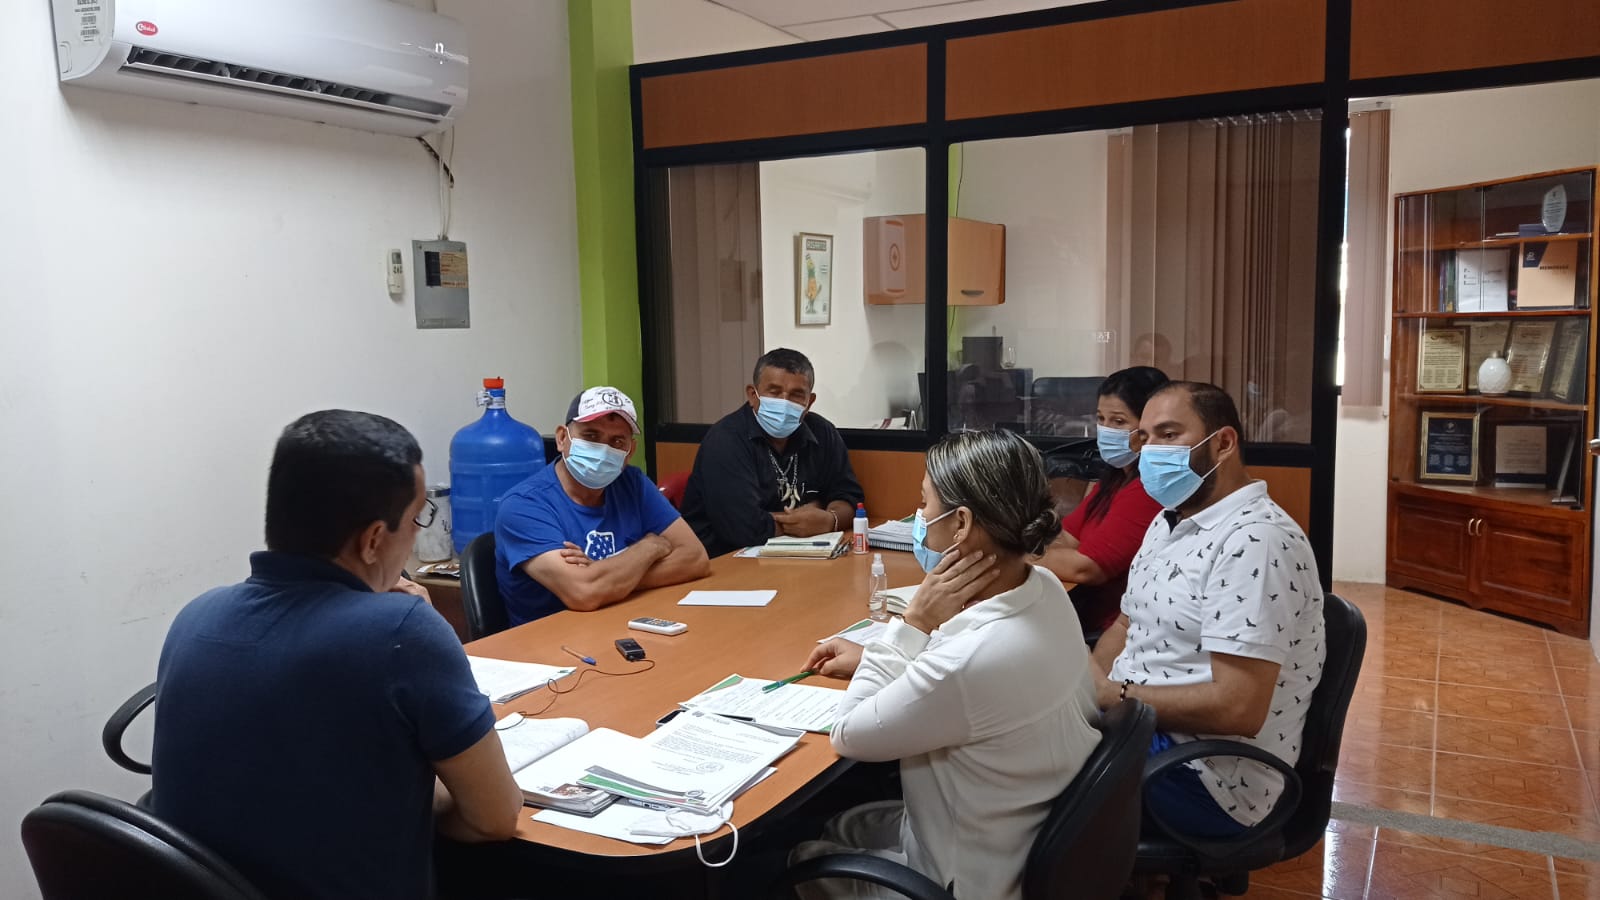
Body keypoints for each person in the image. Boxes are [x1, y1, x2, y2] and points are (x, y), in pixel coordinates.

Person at [153, 410, 522, 900]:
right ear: (373, 540)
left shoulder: (195, 616)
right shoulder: (403, 632)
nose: (418, 534)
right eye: (418, 520)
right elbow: (495, 818)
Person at [794, 430, 1102, 900]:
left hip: (969, 880)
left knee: (802, 857)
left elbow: (849, 733)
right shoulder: (1045, 586)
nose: (918, 517)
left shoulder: (970, 662)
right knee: (847, 823)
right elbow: (958, 665)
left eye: (923, 504)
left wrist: (912, 623)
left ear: (960, 523)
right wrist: (877, 657)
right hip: (1021, 829)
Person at [1091, 382, 1325, 838]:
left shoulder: (1256, 541)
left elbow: (1238, 708)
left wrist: (1111, 696)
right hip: (1139, 728)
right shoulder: (1171, 519)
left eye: (1169, 434)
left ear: (1223, 443)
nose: (1151, 451)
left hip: (1206, 777)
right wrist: (1088, 694)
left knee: (1017, 772)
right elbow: (1125, 622)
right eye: (1145, 438)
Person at [495, 386, 708, 625]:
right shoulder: (524, 505)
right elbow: (584, 592)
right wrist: (649, 547)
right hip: (552, 639)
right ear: (562, 438)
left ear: (630, 451)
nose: (604, 450)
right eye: (591, 436)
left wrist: (608, 578)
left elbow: (695, 558)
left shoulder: (632, 484)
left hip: (619, 621)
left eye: (617, 441)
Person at [681, 348, 865, 557]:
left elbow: (849, 498)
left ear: (810, 402)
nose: (784, 402)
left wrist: (829, 519)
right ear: (753, 395)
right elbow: (745, 527)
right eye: (774, 392)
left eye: (796, 395)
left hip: (797, 557)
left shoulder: (822, 432)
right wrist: (806, 520)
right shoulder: (725, 441)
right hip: (725, 560)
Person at [1038, 366, 1168, 636]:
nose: (1106, 430)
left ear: (1148, 426)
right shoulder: (1117, 478)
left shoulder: (1149, 489)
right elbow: (1065, 537)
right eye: (1101, 418)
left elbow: (1086, 568)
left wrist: (1014, 558)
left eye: (1118, 422)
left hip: (1112, 630)